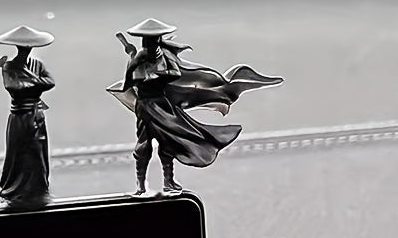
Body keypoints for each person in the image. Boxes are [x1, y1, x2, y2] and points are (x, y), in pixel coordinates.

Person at [107, 18, 283, 195]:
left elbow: (174, 73)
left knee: (169, 142)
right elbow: (129, 83)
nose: (151, 44)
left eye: (154, 40)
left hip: (163, 104)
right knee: (143, 145)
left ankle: (168, 181)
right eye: (148, 40)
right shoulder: (139, 58)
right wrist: (135, 67)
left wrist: (158, 74)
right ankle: (141, 185)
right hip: (145, 106)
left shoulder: (164, 56)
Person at [0, 25, 56, 209]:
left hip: (36, 116)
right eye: (24, 47)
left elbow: (50, 82)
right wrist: (36, 83)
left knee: (37, 154)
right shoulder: (9, 67)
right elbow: (14, 88)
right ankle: (16, 191)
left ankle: (37, 191)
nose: (27, 50)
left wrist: (31, 81)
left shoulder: (37, 64)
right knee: (19, 154)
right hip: (20, 117)